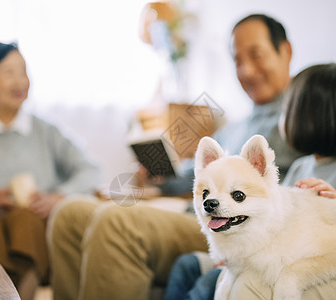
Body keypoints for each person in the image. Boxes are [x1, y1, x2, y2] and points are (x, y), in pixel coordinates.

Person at [48, 14, 302, 300]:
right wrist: (160, 174)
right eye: (237, 60)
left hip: (235, 229)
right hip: (195, 213)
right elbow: (193, 176)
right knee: (69, 213)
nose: (246, 70)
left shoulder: (305, 122)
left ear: (286, 51)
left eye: (256, 55)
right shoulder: (234, 127)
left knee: (115, 221)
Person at [168, 63, 336, 300]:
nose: (281, 119)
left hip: (313, 257)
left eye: (287, 110)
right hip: (253, 253)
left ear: (317, 117)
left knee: (208, 285)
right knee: (188, 264)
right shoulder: (301, 165)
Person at [0, 42, 102, 300]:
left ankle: (20, 293)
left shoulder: (47, 132)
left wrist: (58, 196)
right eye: (8, 72)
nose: (20, 81)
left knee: (26, 217)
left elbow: (91, 171)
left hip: (31, 229)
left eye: (24, 71)